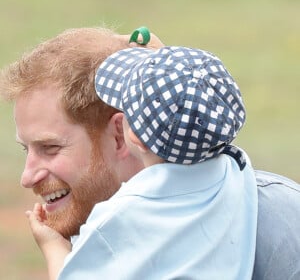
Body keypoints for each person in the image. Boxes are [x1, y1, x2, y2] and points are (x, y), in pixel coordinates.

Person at [0, 26, 299, 280]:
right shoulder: (274, 206)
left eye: (50, 148)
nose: (26, 177)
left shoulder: (112, 228)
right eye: (26, 149)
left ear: (122, 134)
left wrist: (56, 251)